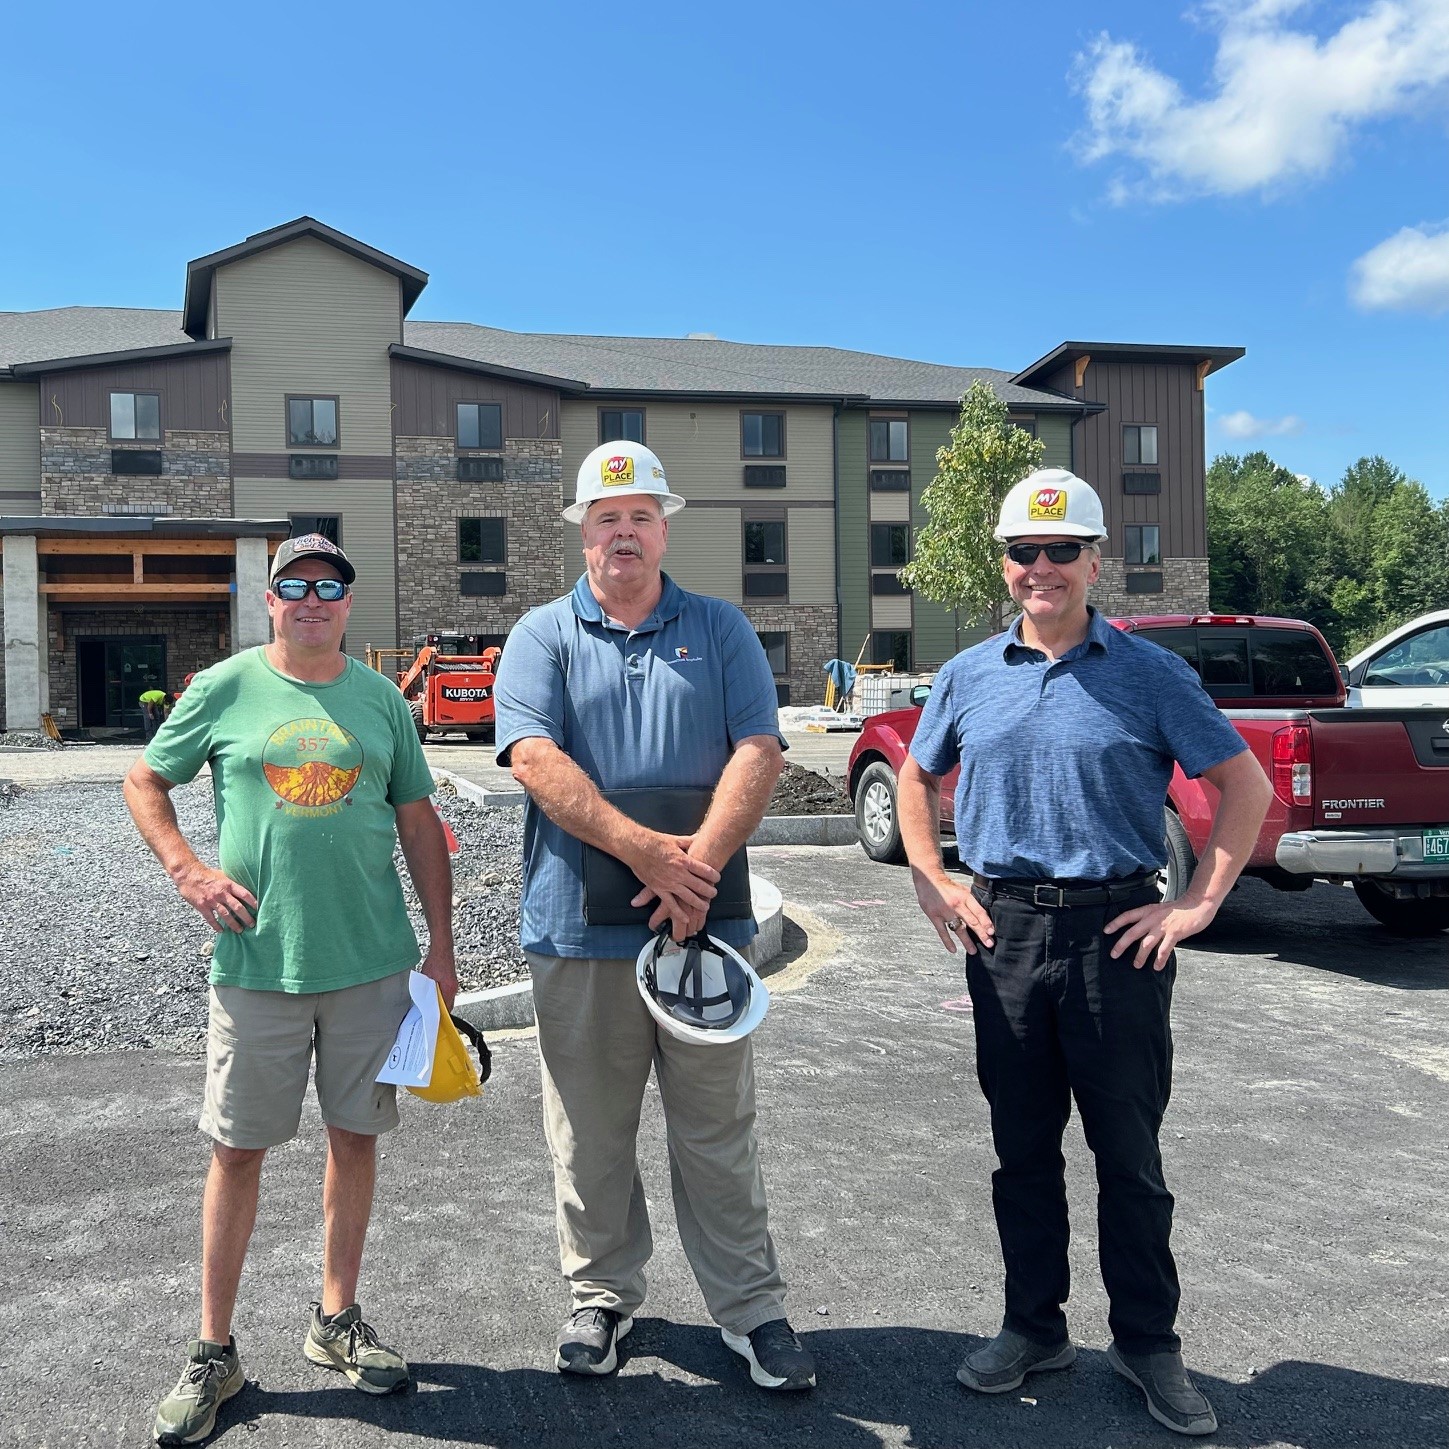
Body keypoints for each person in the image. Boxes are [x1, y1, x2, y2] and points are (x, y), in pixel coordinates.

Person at [897, 469, 1271, 1437]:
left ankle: (1149, 1344)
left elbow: (1246, 788)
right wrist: (932, 876)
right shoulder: (968, 674)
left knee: (1129, 1157)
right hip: (1006, 933)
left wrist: (1195, 905)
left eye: (1063, 550)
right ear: (1005, 563)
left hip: (1118, 938)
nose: (1042, 567)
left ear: (1097, 561)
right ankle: (1035, 1327)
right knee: (1022, 1152)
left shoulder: (1149, 674)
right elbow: (913, 775)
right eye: (1024, 550)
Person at [492, 439, 816, 1392]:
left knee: (718, 1127)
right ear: (582, 535)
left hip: (701, 926)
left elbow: (758, 749)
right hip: (576, 931)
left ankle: (752, 1310)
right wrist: (646, 852)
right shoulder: (541, 634)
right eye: (605, 519)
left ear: (662, 527)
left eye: (638, 517)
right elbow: (533, 758)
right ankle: (600, 1296)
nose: (622, 533)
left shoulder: (718, 629)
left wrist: (697, 866)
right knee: (588, 1129)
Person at [123, 533, 456, 1447]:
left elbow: (420, 823)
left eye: (328, 586)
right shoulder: (225, 687)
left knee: (356, 1137)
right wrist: (188, 870)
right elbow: (145, 776)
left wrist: (443, 946)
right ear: (268, 600)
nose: (311, 599)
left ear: (348, 603)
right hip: (256, 967)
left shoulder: (382, 700)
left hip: (371, 963)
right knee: (236, 1150)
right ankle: (213, 1350)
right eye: (292, 586)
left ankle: (335, 1318)